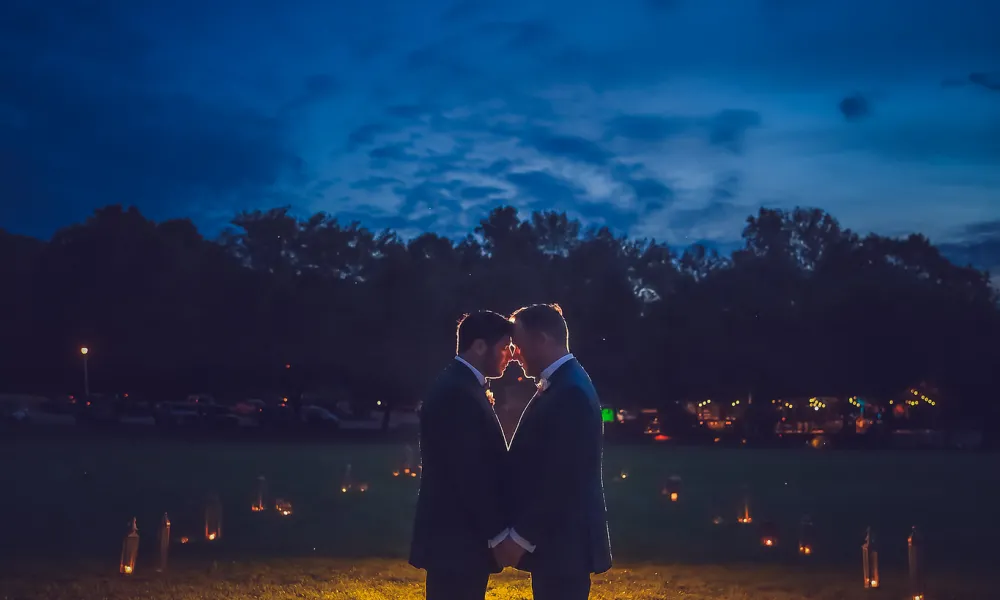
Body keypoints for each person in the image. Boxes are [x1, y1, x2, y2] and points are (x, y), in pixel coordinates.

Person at [492, 303, 612, 600]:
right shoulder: (564, 383)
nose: (513, 355)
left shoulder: (569, 391)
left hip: (565, 543)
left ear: (542, 340)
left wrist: (521, 537)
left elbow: (564, 478)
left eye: (518, 345)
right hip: (559, 544)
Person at [409, 310, 514, 600]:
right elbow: (469, 472)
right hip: (456, 539)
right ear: (479, 346)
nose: (510, 355)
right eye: (505, 347)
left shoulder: (462, 385)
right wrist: (497, 533)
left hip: (458, 537)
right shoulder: (457, 392)